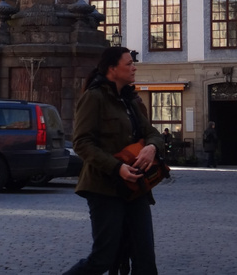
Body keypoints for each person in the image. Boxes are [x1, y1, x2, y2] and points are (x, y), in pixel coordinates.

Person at [63, 47, 163, 275]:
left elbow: (152, 132)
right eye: (128, 64)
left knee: (145, 259)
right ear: (112, 69)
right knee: (104, 258)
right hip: (104, 187)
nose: (134, 67)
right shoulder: (94, 97)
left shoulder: (131, 100)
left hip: (135, 188)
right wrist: (117, 167)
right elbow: (81, 142)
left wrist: (151, 147)